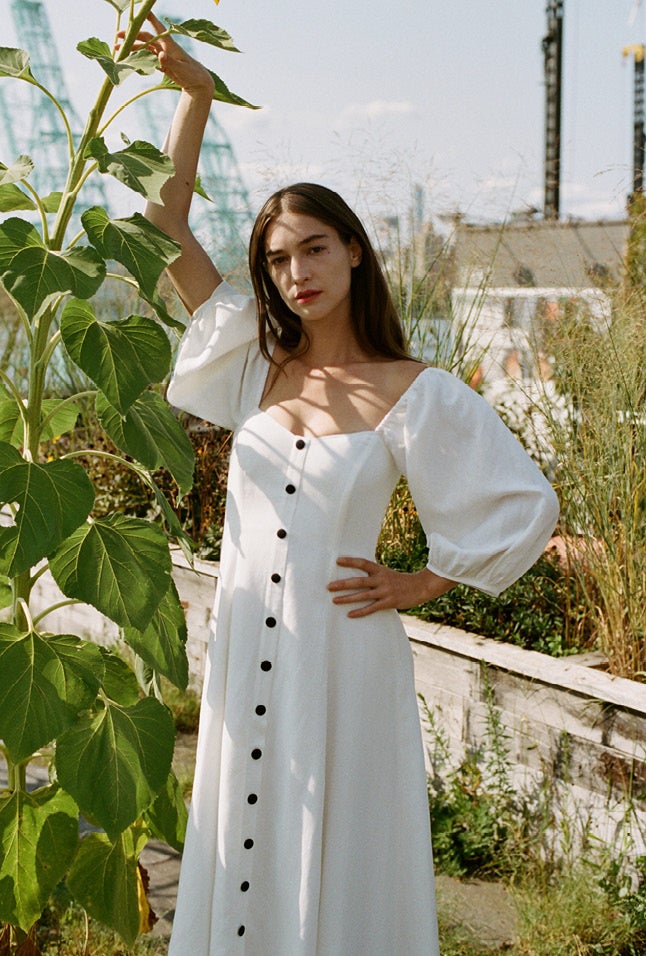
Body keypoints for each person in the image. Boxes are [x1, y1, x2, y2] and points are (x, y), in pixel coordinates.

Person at [134, 15, 560, 955]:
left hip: (344, 658)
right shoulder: (252, 363)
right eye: (279, 259)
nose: (296, 274)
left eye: (314, 248)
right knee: (241, 838)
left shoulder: (417, 393)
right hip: (247, 649)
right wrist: (194, 97)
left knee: (342, 848)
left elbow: (523, 505)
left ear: (355, 250)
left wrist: (424, 583)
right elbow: (162, 220)